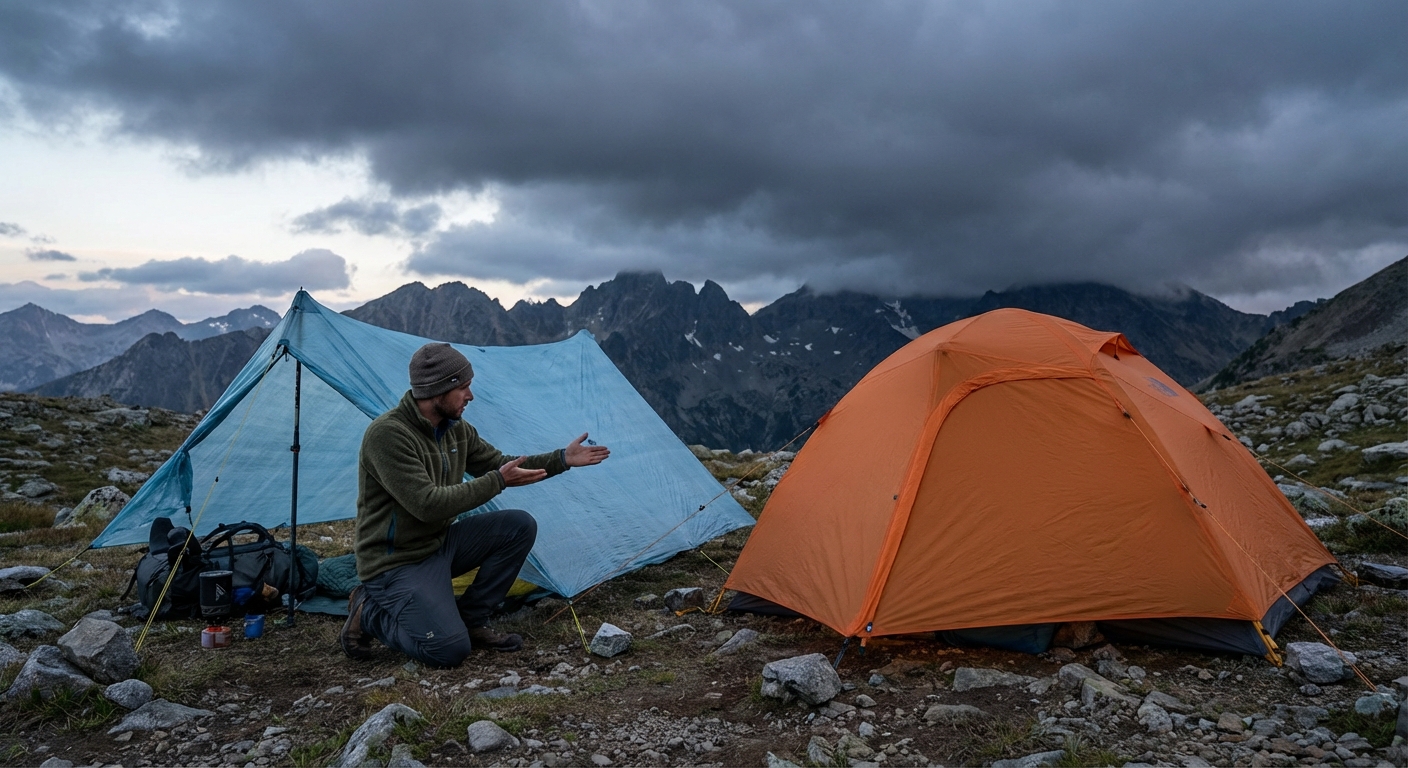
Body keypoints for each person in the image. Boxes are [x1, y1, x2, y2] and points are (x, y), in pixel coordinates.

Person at [340, 342, 610, 666]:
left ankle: (471, 620)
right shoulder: (387, 435)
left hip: (439, 545)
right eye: (464, 387)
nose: (470, 396)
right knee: (448, 651)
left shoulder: (456, 430)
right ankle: (367, 611)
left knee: (518, 526)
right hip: (396, 562)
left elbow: (502, 464)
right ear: (439, 389)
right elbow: (427, 505)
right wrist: (497, 481)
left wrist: (562, 458)